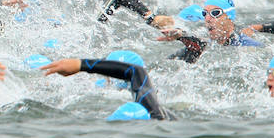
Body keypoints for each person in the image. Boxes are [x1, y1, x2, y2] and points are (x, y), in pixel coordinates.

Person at [40, 55, 175, 120]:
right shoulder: (155, 112)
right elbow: (137, 72)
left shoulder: (152, 110)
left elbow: (136, 72)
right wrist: (80, 64)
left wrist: (80, 65)